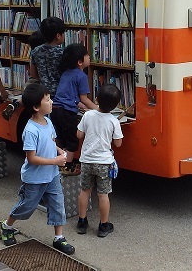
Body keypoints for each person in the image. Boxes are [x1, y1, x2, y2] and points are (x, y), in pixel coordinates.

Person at [0, 83, 75, 255]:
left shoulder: (48, 121)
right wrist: (55, 161)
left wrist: (60, 151)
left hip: (52, 176)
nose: (51, 102)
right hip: (34, 178)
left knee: (58, 205)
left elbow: (52, 141)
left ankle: (59, 238)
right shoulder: (30, 130)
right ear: (35, 107)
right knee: (27, 206)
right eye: (47, 100)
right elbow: (31, 158)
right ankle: (6, 226)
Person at [76, 83, 123, 238]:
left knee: (85, 191)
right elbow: (118, 143)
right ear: (116, 105)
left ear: (96, 99)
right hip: (104, 163)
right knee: (103, 194)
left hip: (87, 160)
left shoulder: (88, 115)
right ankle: (103, 225)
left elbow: (79, 135)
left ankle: (82, 222)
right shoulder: (113, 121)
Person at [51, 43, 98, 175]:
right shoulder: (81, 76)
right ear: (80, 62)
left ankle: (57, 162)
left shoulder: (66, 73)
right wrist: (99, 109)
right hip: (67, 112)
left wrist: (78, 104)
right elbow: (84, 98)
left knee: (60, 137)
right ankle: (67, 167)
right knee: (72, 140)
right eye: (87, 55)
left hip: (55, 109)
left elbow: (67, 94)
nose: (89, 57)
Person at [2, 30, 46, 120]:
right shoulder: (45, 55)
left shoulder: (33, 54)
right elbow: (35, 74)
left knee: (25, 97)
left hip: (30, 83)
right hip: (38, 83)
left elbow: (32, 73)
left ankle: (16, 104)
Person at [30, 17, 66, 98]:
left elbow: (33, 73)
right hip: (61, 92)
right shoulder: (62, 53)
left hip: (43, 92)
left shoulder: (36, 51)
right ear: (58, 36)